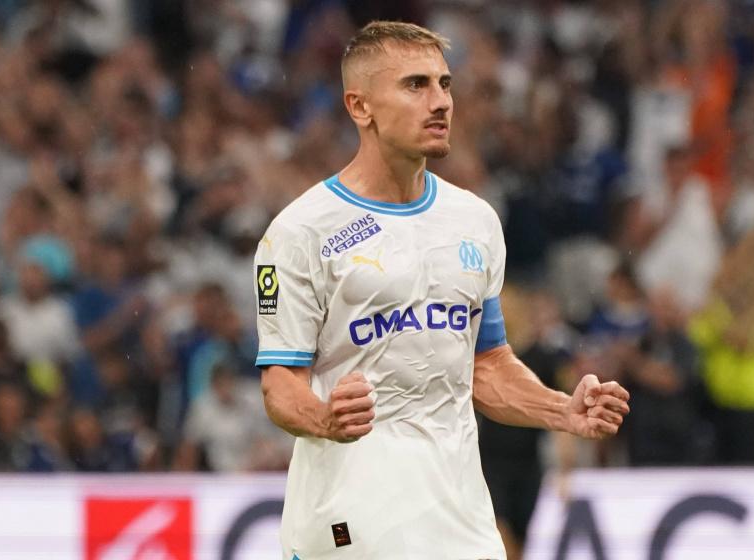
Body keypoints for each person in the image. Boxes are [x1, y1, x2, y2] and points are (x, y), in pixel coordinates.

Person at [254, 21, 631, 560]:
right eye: (415, 85)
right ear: (360, 107)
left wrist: (559, 410)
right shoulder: (300, 232)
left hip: (460, 519)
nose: (440, 102)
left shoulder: (475, 221)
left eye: (444, 84)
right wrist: (325, 420)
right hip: (350, 521)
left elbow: (487, 365)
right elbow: (279, 385)